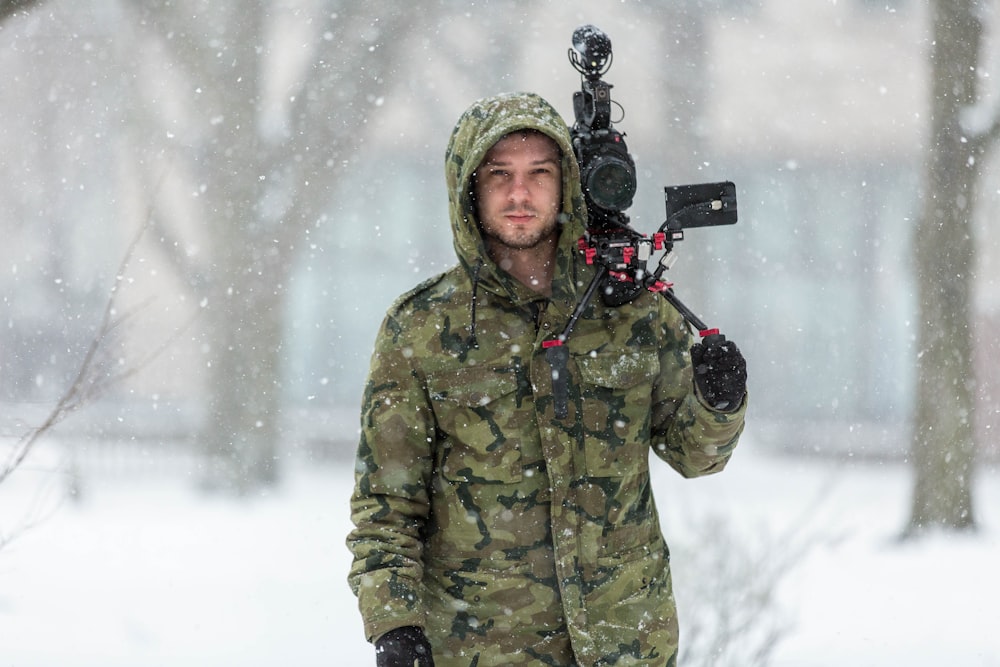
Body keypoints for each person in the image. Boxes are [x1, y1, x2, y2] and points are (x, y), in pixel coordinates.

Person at [347, 91, 748, 667]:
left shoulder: (631, 310)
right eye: (500, 175)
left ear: (567, 185)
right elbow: (385, 505)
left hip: (625, 643)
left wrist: (721, 401)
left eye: (540, 173)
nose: (519, 194)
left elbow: (695, 456)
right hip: (480, 647)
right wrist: (396, 625)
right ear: (469, 188)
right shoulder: (422, 328)